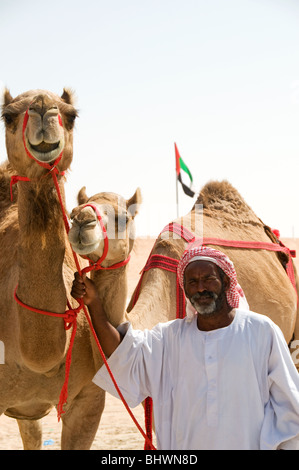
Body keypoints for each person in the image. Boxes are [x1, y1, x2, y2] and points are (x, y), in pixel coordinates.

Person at [71, 245, 299, 450]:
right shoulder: (169, 338)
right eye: (192, 282)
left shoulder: (260, 331)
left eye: (208, 279)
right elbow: (124, 355)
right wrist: (95, 305)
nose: (201, 288)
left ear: (226, 281)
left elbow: (289, 404)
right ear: (185, 290)